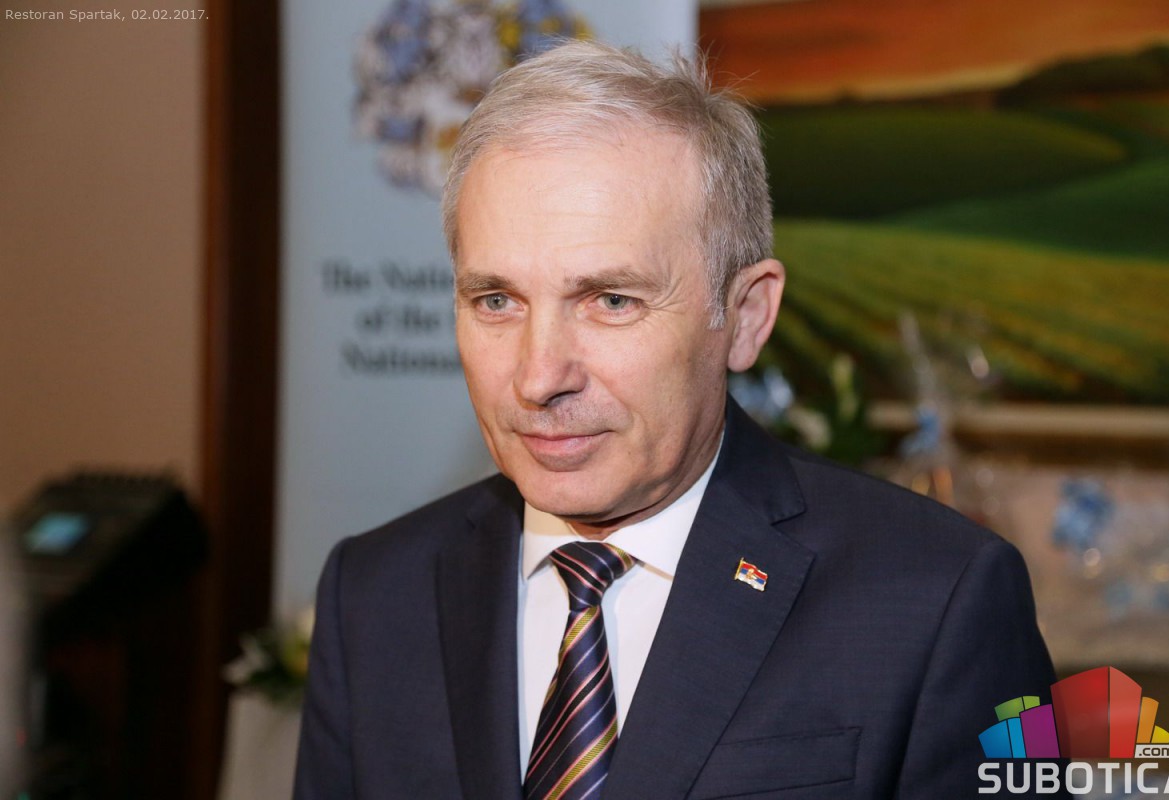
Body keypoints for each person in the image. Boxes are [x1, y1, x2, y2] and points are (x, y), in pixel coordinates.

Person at [295, 40, 1056, 799]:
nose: (538, 377)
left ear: (746, 316)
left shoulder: (939, 598)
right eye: (497, 301)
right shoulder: (373, 596)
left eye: (611, 301)